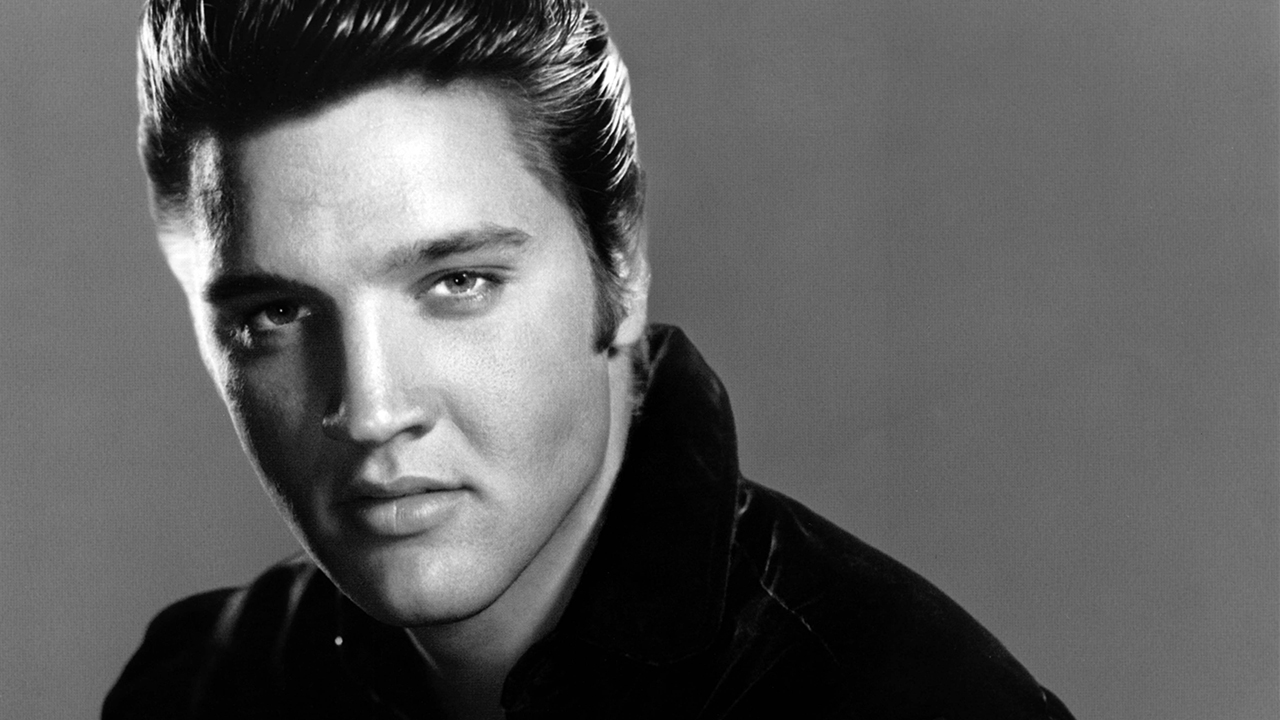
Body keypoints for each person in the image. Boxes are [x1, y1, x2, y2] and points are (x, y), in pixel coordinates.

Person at [105, 1, 1075, 718]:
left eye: (457, 282)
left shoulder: (900, 701)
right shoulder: (199, 687)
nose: (370, 407)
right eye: (275, 313)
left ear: (619, 266)